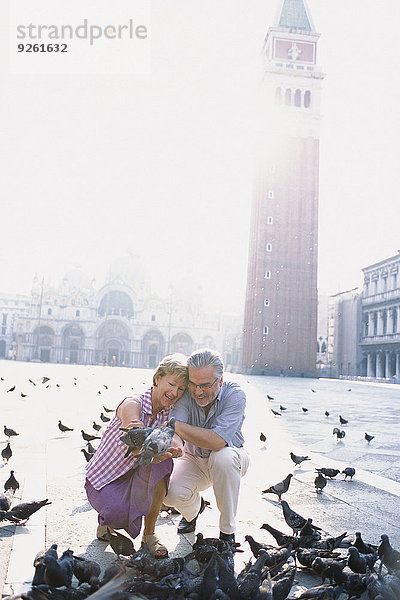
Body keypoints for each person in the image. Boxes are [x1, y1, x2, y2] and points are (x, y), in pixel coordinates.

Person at [84, 353, 187, 558]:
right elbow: (134, 434)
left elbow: (174, 437)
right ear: (157, 378)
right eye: (172, 384)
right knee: (117, 515)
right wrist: (152, 450)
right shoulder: (133, 403)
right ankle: (106, 520)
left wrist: (176, 447)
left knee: (162, 463)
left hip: (135, 476)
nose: (175, 392)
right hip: (105, 480)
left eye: (181, 389)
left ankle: (149, 536)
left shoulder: (169, 413)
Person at [164, 348, 249, 543]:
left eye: (205, 385)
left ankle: (227, 533)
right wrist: (175, 435)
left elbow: (218, 441)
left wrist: (176, 425)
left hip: (232, 457)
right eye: (193, 384)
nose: (198, 391)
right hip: (193, 459)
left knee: (223, 457)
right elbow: (176, 433)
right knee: (169, 494)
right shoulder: (186, 393)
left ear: (220, 380)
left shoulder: (235, 394)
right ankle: (193, 512)